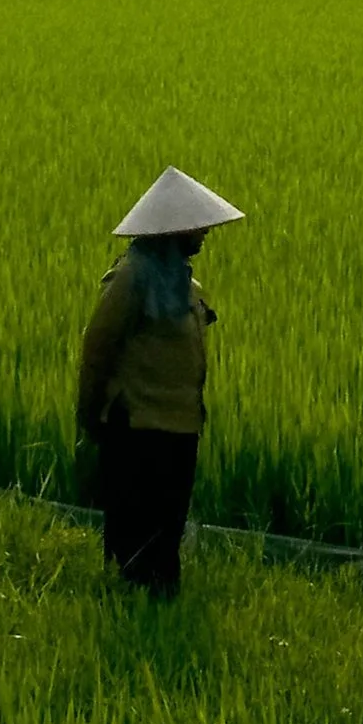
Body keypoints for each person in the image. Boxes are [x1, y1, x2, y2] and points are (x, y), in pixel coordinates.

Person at [75, 166, 245, 595]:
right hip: (137, 426)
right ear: (173, 228)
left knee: (167, 534)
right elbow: (98, 350)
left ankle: (160, 610)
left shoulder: (186, 284)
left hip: (180, 426)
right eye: (197, 226)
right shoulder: (131, 278)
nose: (205, 233)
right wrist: (91, 416)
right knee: (136, 536)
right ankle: (128, 609)